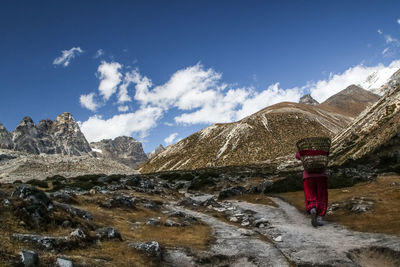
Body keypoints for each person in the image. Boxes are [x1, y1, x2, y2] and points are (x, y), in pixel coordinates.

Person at [296, 151, 328, 227]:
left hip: (308, 176)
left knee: (310, 194)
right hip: (321, 175)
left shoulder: (304, 149)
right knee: (322, 196)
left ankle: (312, 208)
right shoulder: (321, 148)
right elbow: (327, 154)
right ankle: (320, 217)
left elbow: (297, 155)